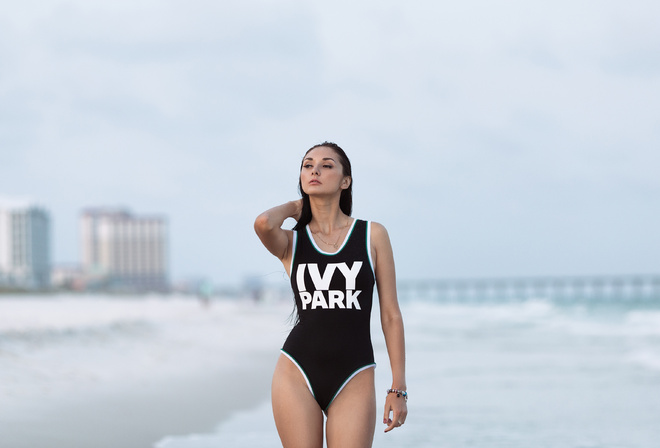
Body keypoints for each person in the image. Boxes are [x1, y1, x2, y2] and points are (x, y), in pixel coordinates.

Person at [254, 142, 407, 448]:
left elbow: (390, 314)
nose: (315, 171)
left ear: (345, 180)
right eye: (308, 166)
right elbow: (263, 223)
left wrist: (398, 388)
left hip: (355, 375)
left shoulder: (372, 235)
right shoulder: (291, 241)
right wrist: (297, 206)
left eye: (326, 165)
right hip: (296, 371)